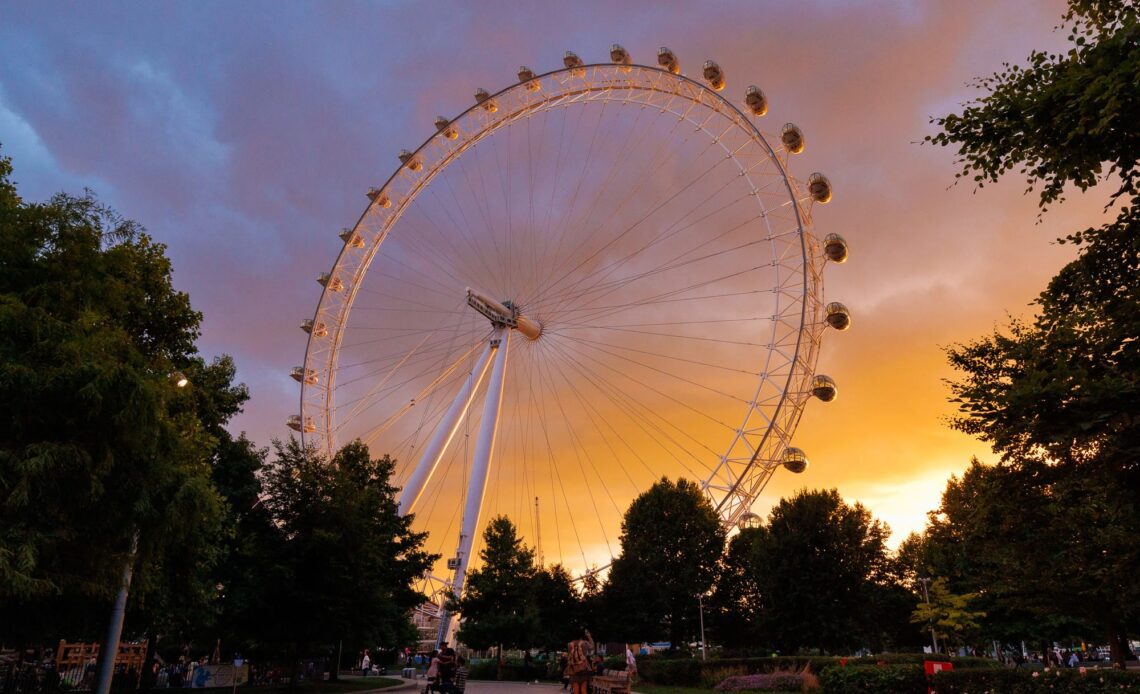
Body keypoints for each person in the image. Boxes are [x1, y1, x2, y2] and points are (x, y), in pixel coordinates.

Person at [564, 630, 594, 694]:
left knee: (576, 690)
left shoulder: (569, 644)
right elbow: (592, 647)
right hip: (584, 668)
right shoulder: (584, 643)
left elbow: (570, 656)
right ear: (581, 636)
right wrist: (589, 637)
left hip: (574, 669)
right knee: (584, 689)